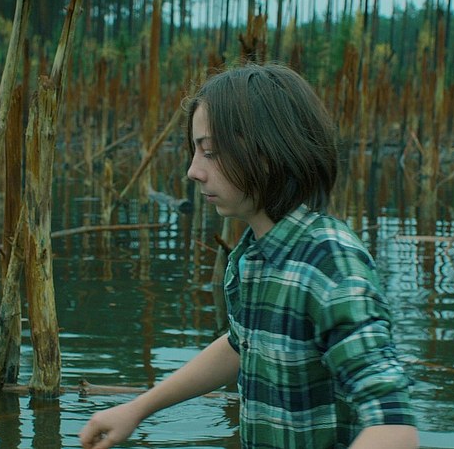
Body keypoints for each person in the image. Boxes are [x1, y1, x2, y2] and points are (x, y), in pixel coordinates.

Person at [79, 63, 418, 449]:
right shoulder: (255, 256)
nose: (193, 171)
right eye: (195, 151)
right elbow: (240, 345)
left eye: (210, 152)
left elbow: (394, 426)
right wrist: (137, 409)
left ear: (270, 152)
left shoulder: (329, 263)